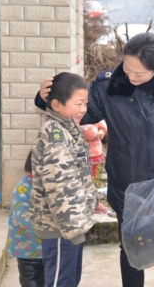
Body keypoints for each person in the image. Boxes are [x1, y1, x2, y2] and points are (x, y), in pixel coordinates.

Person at [35, 33, 154, 287]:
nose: (131, 77)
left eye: (139, 73)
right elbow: (79, 113)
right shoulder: (108, 86)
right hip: (125, 183)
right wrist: (46, 99)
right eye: (127, 68)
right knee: (129, 246)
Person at [30, 72, 98, 287]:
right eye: (78, 104)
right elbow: (62, 188)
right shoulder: (55, 136)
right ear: (57, 105)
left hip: (70, 225)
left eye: (85, 103)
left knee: (69, 279)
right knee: (61, 281)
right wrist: (74, 228)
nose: (84, 110)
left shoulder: (68, 128)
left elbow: (79, 176)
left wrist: (92, 202)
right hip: (62, 228)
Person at [7, 151, 44, 287]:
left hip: (46, 249)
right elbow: (23, 219)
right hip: (27, 250)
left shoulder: (50, 187)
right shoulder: (23, 189)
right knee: (31, 281)